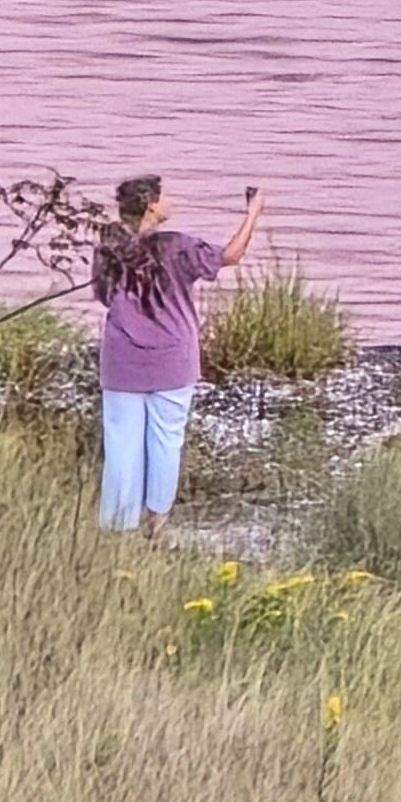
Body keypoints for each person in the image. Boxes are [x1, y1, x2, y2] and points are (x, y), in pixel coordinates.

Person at [91, 174, 263, 533]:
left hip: (123, 359)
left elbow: (103, 295)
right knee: (166, 441)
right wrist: (253, 213)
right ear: (151, 204)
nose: (170, 200)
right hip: (172, 359)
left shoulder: (108, 247)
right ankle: (156, 522)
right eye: (164, 196)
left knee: (122, 444)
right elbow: (230, 255)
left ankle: (117, 525)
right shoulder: (176, 246)